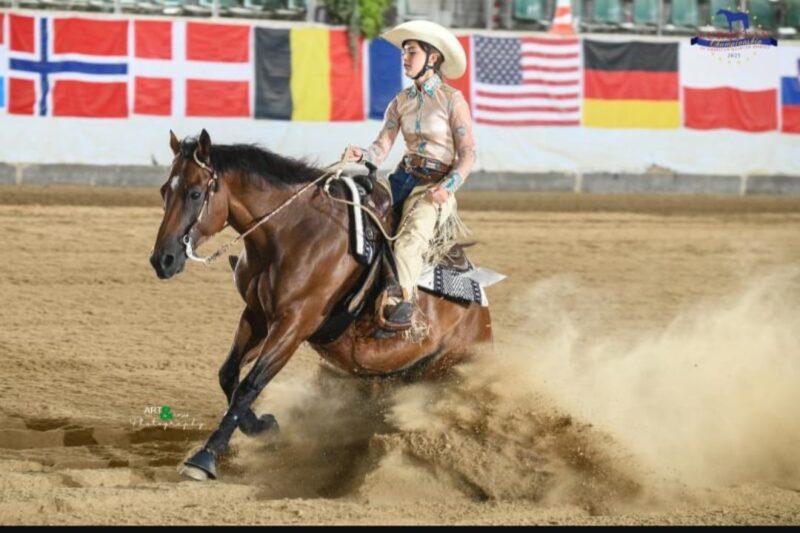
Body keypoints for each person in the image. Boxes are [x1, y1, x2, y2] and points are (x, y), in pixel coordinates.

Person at [342, 20, 476, 333]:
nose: (405, 58)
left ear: (433, 57)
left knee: (407, 244)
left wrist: (448, 187)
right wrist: (363, 155)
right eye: (404, 52)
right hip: (400, 179)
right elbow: (381, 148)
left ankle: (403, 307)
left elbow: (468, 153)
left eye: (411, 52)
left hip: (433, 186)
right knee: (360, 223)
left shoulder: (452, 100)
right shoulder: (400, 102)